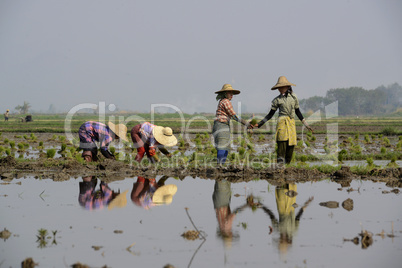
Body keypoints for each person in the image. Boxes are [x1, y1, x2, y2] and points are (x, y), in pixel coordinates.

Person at [254, 76, 313, 165]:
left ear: (287, 86)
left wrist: (307, 125)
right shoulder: (277, 100)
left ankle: (287, 166)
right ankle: (280, 167)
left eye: (282, 87)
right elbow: (270, 114)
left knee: (291, 146)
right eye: (279, 87)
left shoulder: (294, 97)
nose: (280, 89)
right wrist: (259, 124)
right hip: (282, 123)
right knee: (282, 144)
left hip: (291, 123)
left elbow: (298, 112)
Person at [213, 84, 251, 165]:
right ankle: (219, 166)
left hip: (222, 125)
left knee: (225, 147)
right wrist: (245, 123)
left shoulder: (222, 101)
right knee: (222, 147)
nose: (232, 95)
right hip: (221, 125)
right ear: (225, 93)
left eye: (232, 93)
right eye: (230, 93)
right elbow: (233, 115)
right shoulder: (226, 101)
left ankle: (220, 165)